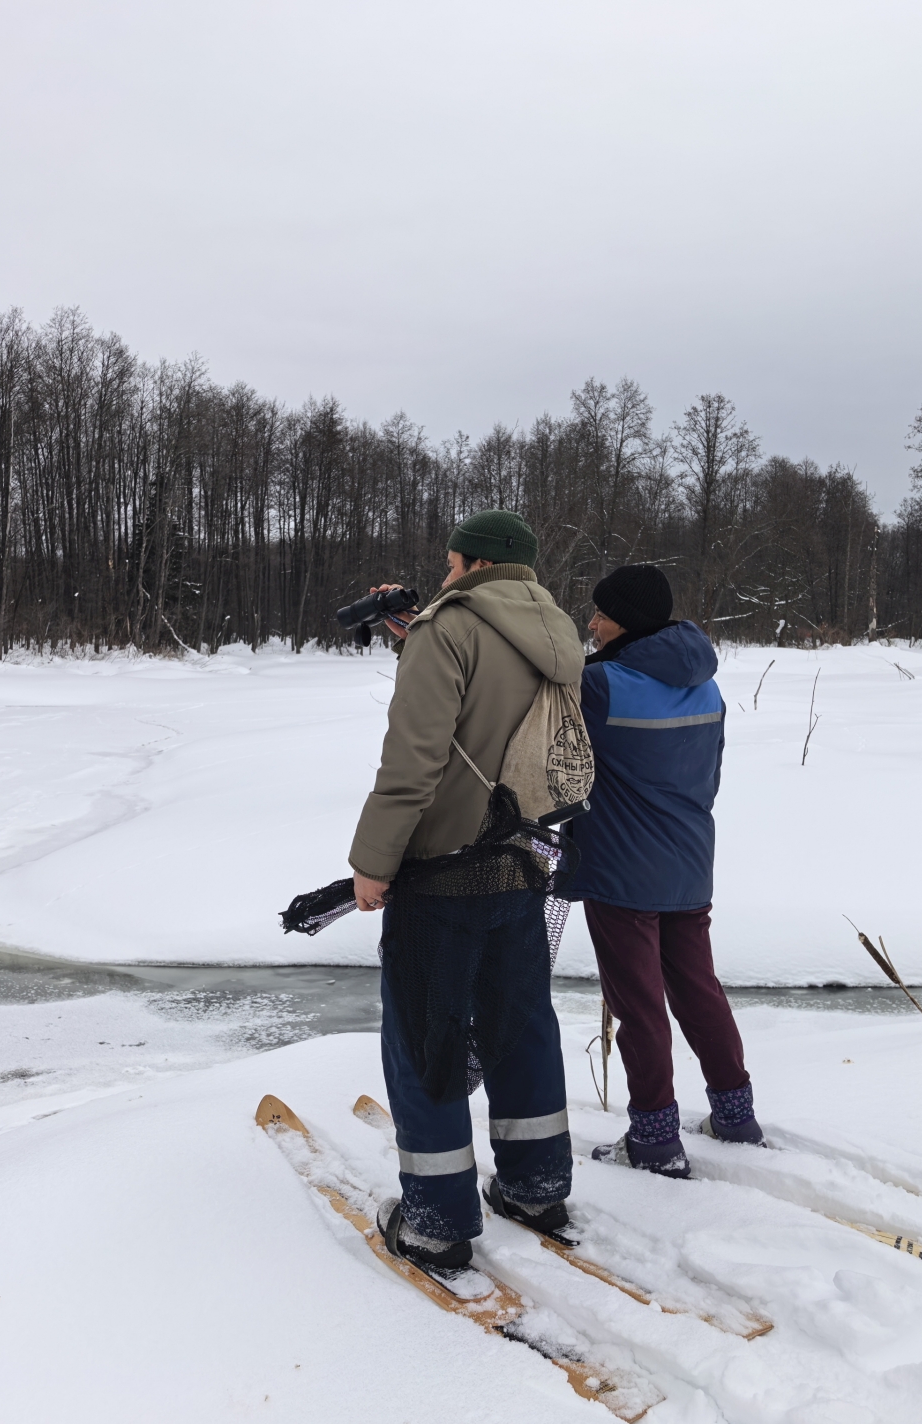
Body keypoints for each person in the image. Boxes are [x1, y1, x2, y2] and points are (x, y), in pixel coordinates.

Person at [349, 509, 586, 1272]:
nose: (445, 576)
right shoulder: (556, 631)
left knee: (427, 1039)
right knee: (519, 1025)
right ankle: (536, 1188)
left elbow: (415, 761)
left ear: (478, 564)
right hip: (524, 862)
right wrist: (413, 638)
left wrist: (372, 862)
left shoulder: (447, 630)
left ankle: (436, 1223)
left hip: (442, 870)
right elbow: (496, 714)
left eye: (452, 564)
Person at [562, 563, 761, 1178]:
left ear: (626, 621)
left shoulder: (599, 685)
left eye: (600, 614)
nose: (591, 624)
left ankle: (653, 1140)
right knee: (698, 989)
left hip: (621, 870)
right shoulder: (707, 685)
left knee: (639, 1005)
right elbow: (711, 774)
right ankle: (736, 1116)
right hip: (690, 861)